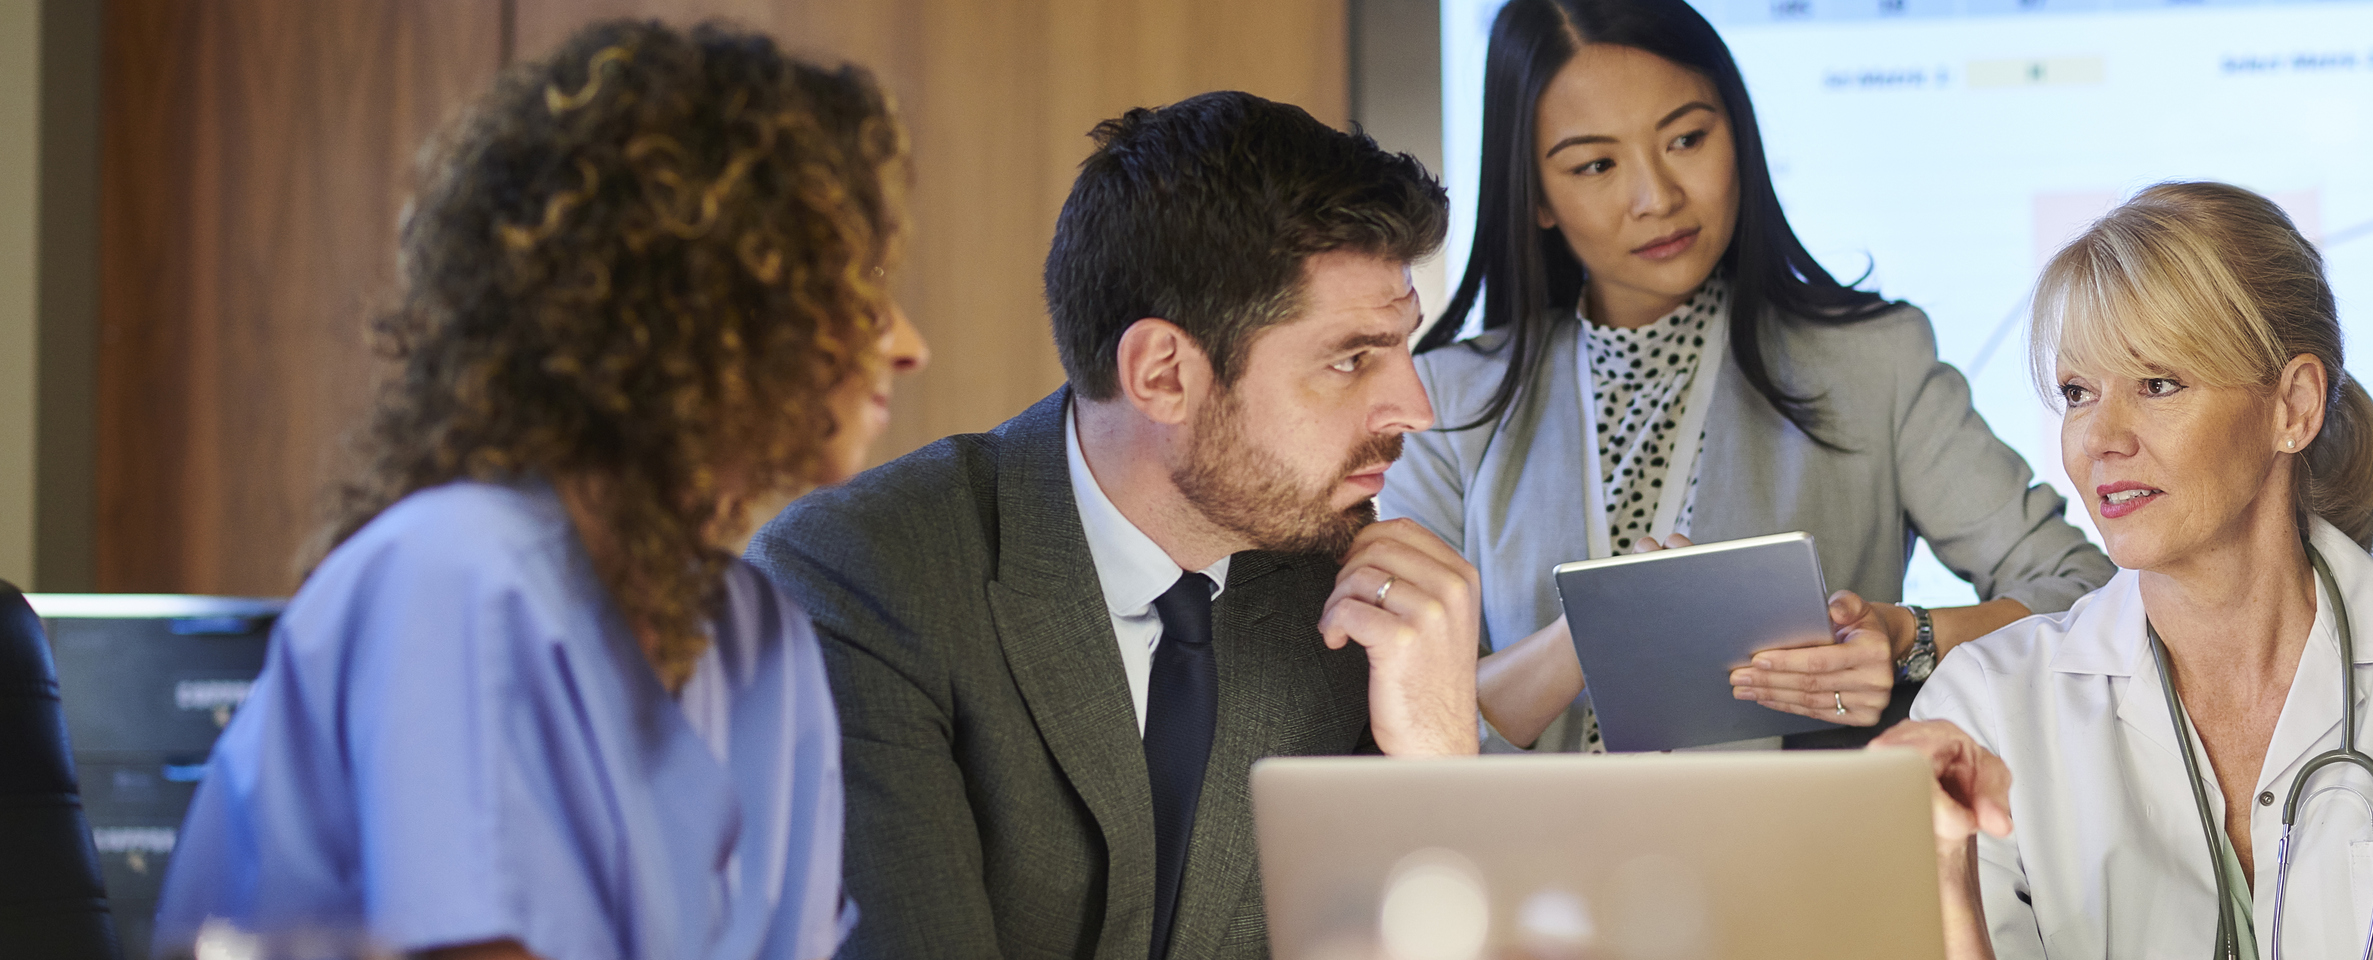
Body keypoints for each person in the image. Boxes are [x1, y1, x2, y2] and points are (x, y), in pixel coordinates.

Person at [149, 20, 927, 960]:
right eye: (858, 286)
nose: (908, 345)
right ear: (701, 301)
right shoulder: (456, 576)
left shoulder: (760, 636)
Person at [746, 92, 1480, 960]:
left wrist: (1442, 766)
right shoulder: (858, 575)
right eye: (1351, 359)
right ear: (1163, 373)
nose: (1414, 409)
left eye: (1402, 348)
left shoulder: (1347, 596)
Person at [1875, 182, 2373, 960]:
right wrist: (1938, 873)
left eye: (2157, 384)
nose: (2100, 437)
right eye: (2076, 393)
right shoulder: (1988, 706)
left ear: (2293, 406)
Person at [1391, 0, 2112, 753]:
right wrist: (1597, 629)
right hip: (1523, 860)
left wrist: (1907, 638)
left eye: (1687, 139)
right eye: (1596, 165)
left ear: (1738, 131)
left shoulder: (1873, 360)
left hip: (1793, 852)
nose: (1657, 196)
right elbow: (1412, 716)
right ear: (1534, 193)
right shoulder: (1444, 401)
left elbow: (2081, 592)